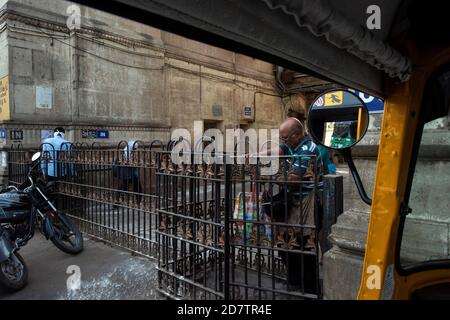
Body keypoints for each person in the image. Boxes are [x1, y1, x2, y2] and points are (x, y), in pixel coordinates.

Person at [264, 117, 323, 294]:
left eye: (285, 138)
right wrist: (255, 155)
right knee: (284, 242)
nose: (283, 141)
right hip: (292, 202)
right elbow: (278, 150)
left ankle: (311, 288)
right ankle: (295, 280)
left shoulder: (308, 149)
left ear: (297, 134)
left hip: (309, 202)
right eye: (281, 138)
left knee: (305, 245)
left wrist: (267, 176)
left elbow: (293, 180)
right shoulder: (291, 144)